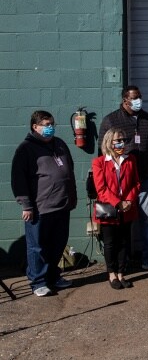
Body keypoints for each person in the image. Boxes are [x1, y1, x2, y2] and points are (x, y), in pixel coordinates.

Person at [98, 85, 148, 272]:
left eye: (140, 97)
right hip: (120, 182)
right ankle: (122, 263)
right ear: (125, 100)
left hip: (144, 179)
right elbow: (102, 151)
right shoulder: (111, 120)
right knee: (121, 223)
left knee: (147, 219)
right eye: (134, 98)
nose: (138, 101)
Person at [11, 110, 77, 296]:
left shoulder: (60, 144)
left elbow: (69, 172)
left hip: (62, 205)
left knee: (57, 244)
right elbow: (19, 180)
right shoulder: (26, 149)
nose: (50, 128)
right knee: (37, 246)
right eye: (46, 125)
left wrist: (72, 197)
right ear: (35, 127)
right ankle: (38, 281)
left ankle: (53, 277)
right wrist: (26, 205)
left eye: (52, 124)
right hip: (40, 208)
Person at [92, 128, 140, 289]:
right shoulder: (99, 162)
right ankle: (111, 273)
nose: (122, 143)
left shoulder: (131, 159)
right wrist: (118, 202)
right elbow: (101, 189)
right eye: (118, 140)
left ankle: (121, 273)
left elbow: (136, 183)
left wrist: (128, 200)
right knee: (110, 243)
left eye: (124, 140)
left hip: (127, 208)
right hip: (109, 209)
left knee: (124, 242)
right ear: (109, 142)